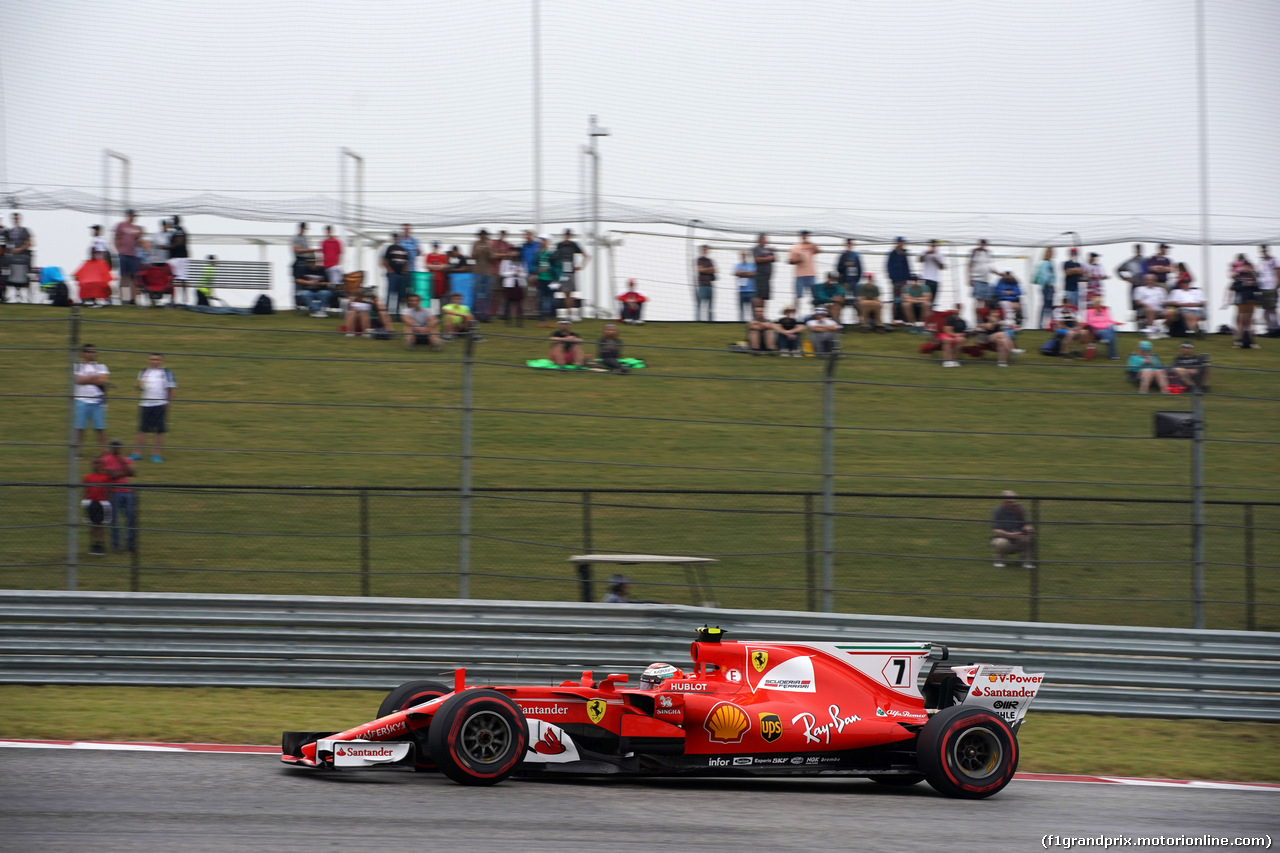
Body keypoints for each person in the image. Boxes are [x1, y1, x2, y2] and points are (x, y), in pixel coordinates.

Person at [131, 353, 176, 463]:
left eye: (157, 359)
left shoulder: (167, 373)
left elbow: (172, 389)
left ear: (161, 361)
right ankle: (137, 453)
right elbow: (139, 387)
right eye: (152, 359)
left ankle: (156, 455)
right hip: (145, 404)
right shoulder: (143, 372)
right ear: (148, 360)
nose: (154, 361)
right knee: (142, 430)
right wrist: (138, 387)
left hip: (160, 405)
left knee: (159, 431)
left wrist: (168, 402)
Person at [99, 439, 137, 553]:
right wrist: (124, 472)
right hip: (114, 491)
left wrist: (122, 461)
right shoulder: (106, 459)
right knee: (114, 520)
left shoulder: (126, 459)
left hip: (128, 491)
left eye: (118, 447)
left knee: (131, 518)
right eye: (114, 447)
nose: (117, 449)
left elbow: (133, 473)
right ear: (111, 448)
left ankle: (130, 545)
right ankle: (115, 545)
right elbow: (113, 475)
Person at [73, 344, 110, 455]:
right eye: (89, 352)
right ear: (83, 353)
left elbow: (103, 381)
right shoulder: (77, 366)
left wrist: (87, 379)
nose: (91, 354)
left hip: (97, 401)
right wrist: (94, 378)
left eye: (93, 352)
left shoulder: (101, 367)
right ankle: (77, 452)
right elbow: (78, 380)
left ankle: (104, 452)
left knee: (100, 428)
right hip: (81, 400)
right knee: (79, 428)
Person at [991, 491, 1035, 569]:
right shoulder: (999, 511)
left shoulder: (1020, 509)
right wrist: (1010, 535)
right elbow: (996, 531)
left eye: (1013, 502)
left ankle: (1026, 561)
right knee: (1000, 542)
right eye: (1009, 502)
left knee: (1031, 536)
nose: (1012, 504)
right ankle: (1001, 560)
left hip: (1019, 538)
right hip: (1006, 539)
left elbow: (1026, 524)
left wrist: (1028, 529)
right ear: (1003, 501)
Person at [554, 229, 588, 322]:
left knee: (570, 293)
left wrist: (581, 266)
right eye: (566, 234)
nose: (567, 236)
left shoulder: (573, 245)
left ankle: (571, 313)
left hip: (570, 271)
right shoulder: (559, 245)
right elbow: (555, 257)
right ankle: (568, 313)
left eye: (568, 235)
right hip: (562, 270)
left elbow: (586, 255)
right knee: (565, 293)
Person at [1227, 254, 1259, 348]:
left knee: (1249, 321)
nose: (1246, 268)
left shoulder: (1253, 276)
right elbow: (1234, 287)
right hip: (1241, 300)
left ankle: (1251, 341)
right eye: (1244, 266)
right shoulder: (1238, 276)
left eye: (1247, 266)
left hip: (1251, 300)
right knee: (1241, 320)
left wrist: (1251, 284)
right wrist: (1244, 284)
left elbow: (1258, 287)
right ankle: (1239, 341)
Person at [82, 458, 113, 557]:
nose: (96, 465)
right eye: (94, 463)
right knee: (92, 525)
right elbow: (85, 491)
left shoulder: (105, 477)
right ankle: (93, 543)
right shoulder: (87, 477)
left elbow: (108, 490)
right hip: (91, 503)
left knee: (100, 525)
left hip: (101, 503)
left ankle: (100, 544)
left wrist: (107, 501)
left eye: (98, 463)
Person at [1163, 267, 1205, 337]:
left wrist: (1193, 305)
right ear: (1180, 283)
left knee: (1194, 317)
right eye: (1184, 282)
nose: (1186, 284)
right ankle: (1196, 330)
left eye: (1187, 282)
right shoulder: (1176, 292)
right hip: (1183, 310)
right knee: (1188, 315)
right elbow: (1169, 302)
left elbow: (1203, 302)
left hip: (1197, 310)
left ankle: (1196, 330)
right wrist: (1185, 305)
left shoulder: (1197, 291)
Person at [113, 210, 143, 305]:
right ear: (127, 216)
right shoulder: (121, 225)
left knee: (133, 277)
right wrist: (118, 248)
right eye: (131, 216)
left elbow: (140, 243)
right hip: (123, 254)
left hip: (133, 255)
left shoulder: (137, 228)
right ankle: (123, 298)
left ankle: (133, 299)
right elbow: (116, 237)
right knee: (124, 277)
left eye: (133, 216)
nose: (132, 217)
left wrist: (138, 238)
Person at [4, 212, 33, 301]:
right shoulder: (9, 231)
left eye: (17, 219)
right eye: (14, 219)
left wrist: (20, 249)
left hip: (23, 257)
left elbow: (30, 243)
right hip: (12, 258)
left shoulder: (24, 230)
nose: (15, 220)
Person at [787, 230, 820, 310]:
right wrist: (798, 260)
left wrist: (811, 244)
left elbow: (818, 251)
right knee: (798, 296)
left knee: (814, 295)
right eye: (803, 235)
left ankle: (815, 313)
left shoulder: (811, 245)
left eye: (806, 235)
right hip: (799, 275)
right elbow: (790, 260)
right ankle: (796, 314)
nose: (805, 237)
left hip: (811, 274)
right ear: (801, 236)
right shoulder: (796, 247)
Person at [382, 232, 412, 317]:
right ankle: (387, 314)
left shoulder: (404, 249)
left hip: (402, 275)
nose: (396, 238)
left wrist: (404, 271)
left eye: (397, 237)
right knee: (390, 294)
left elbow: (407, 261)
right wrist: (390, 270)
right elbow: (384, 260)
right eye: (394, 237)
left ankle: (399, 314)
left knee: (401, 295)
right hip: (393, 275)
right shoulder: (390, 248)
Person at [835, 238, 863, 324]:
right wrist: (845, 265)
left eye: (851, 244)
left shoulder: (856, 256)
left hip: (854, 282)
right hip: (844, 282)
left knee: (857, 300)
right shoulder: (842, 256)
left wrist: (857, 279)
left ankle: (859, 320)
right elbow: (838, 269)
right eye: (848, 244)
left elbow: (860, 269)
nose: (849, 245)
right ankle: (840, 321)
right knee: (842, 300)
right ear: (845, 245)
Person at [1134, 274, 1169, 338]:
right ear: (1144, 281)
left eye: (1152, 280)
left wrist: (1167, 304)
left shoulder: (1161, 290)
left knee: (1171, 312)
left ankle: (1161, 329)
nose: (1150, 281)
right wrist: (1147, 305)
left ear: (1155, 281)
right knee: (1151, 310)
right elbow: (1137, 301)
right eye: (1148, 280)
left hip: (1159, 309)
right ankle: (1150, 331)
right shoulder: (1139, 289)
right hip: (1144, 309)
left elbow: (1164, 301)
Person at [885, 236, 911, 321]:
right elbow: (888, 267)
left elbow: (907, 267)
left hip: (904, 281)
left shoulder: (904, 254)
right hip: (895, 281)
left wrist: (907, 277)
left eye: (903, 242)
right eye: (900, 242)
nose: (902, 244)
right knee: (895, 300)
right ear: (897, 243)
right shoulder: (892, 254)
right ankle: (894, 319)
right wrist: (892, 277)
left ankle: (904, 319)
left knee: (904, 299)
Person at [499, 254, 527, 326]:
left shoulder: (522, 263)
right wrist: (513, 273)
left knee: (519, 303)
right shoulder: (505, 262)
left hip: (519, 284)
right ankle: (507, 320)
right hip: (510, 285)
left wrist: (519, 273)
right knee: (508, 302)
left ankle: (519, 321)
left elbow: (525, 274)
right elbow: (502, 273)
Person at [968, 239, 996, 311]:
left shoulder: (987, 253)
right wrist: (969, 278)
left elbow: (990, 267)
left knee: (986, 300)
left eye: (984, 243)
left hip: (986, 280)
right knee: (978, 300)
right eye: (981, 243)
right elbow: (970, 265)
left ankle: (983, 317)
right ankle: (977, 317)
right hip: (977, 279)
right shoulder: (975, 252)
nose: (983, 245)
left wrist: (999, 273)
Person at [1116, 244, 1146, 309]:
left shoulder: (1146, 260)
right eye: (1137, 249)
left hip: (1145, 284)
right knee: (1135, 302)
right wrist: (1125, 278)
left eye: (1139, 249)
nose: (1138, 251)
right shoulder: (1130, 261)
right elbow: (1118, 269)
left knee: (1145, 302)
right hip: (1135, 284)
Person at [168, 215, 190, 304]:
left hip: (180, 257)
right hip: (174, 257)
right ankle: (173, 299)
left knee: (182, 279)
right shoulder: (173, 231)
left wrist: (167, 247)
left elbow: (179, 243)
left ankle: (184, 300)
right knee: (172, 278)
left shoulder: (180, 230)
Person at [1258, 245, 1279, 336]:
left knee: (1272, 308)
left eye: (1265, 251)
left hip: (1271, 287)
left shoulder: (1274, 260)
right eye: (1262, 251)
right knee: (1266, 309)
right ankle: (1269, 328)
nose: (1264, 252)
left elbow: (1278, 274)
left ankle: (1276, 327)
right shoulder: (1261, 262)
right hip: (1263, 287)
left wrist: (1276, 285)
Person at [751, 233, 775, 310]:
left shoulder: (768, 249)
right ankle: (757, 312)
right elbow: (757, 259)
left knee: (764, 296)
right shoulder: (756, 249)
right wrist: (768, 258)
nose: (766, 240)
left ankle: (762, 313)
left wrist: (770, 257)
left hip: (767, 276)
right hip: (760, 275)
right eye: (764, 239)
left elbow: (774, 258)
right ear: (760, 240)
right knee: (759, 295)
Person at [1033, 247, 1056, 329]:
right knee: (1045, 305)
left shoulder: (1051, 263)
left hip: (1051, 287)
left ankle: (1048, 324)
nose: (1051, 253)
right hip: (1046, 287)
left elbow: (1053, 276)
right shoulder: (1043, 263)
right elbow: (1044, 275)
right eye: (1050, 252)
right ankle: (1041, 324)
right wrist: (1047, 283)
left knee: (1049, 306)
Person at [918, 239, 945, 306]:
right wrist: (926, 253)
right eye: (931, 243)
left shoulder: (940, 254)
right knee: (924, 301)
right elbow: (920, 260)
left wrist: (936, 260)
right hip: (926, 279)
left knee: (932, 302)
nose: (933, 245)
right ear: (929, 244)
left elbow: (942, 267)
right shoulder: (925, 252)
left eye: (934, 243)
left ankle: (930, 315)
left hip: (935, 280)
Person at [694, 244, 715, 322]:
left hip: (710, 285)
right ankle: (697, 321)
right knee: (699, 305)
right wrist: (709, 269)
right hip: (702, 285)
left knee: (710, 306)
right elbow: (700, 270)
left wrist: (705, 270)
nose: (705, 251)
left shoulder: (710, 261)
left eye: (706, 249)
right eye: (703, 249)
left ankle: (710, 322)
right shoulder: (698, 260)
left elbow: (714, 270)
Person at [425, 241, 449, 308]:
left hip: (440, 279)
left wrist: (433, 266)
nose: (435, 247)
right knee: (431, 295)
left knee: (441, 296)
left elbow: (444, 266)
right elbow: (427, 265)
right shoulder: (429, 255)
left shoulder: (443, 256)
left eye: (437, 246)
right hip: (431, 278)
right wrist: (438, 267)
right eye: (434, 246)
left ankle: (440, 312)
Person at [734, 249, 756, 321]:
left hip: (751, 291)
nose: (743, 256)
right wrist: (747, 273)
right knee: (741, 310)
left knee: (752, 311)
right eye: (742, 255)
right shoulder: (737, 265)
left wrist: (742, 273)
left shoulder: (752, 264)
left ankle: (753, 323)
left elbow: (753, 273)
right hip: (741, 291)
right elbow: (736, 273)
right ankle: (741, 323)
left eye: (745, 255)